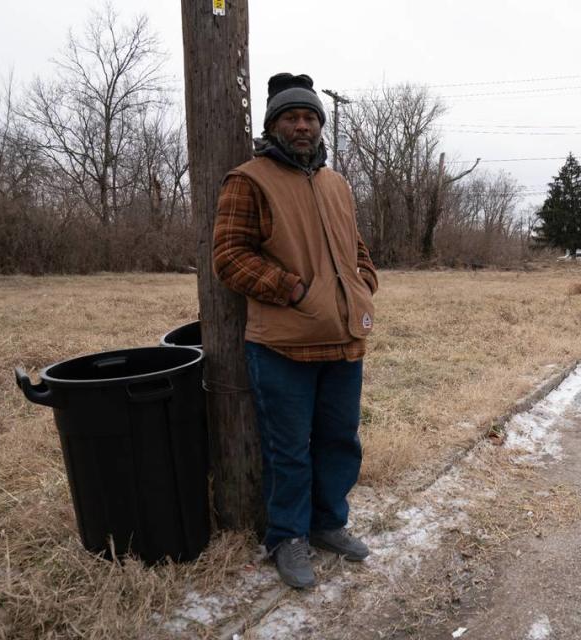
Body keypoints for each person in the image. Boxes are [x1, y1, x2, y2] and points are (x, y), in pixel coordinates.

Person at [212, 72, 378, 589]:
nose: (302, 125)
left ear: (320, 126)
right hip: (282, 345)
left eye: (310, 117)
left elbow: (355, 249)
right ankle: (287, 537)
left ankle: (328, 523)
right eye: (291, 117)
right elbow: (229, 257)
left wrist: (364, 283)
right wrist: (297, 292)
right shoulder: (249, 179)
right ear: (273, 125)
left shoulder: (337, 183)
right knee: (289, 450)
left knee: (340, 441)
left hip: (345, 339)